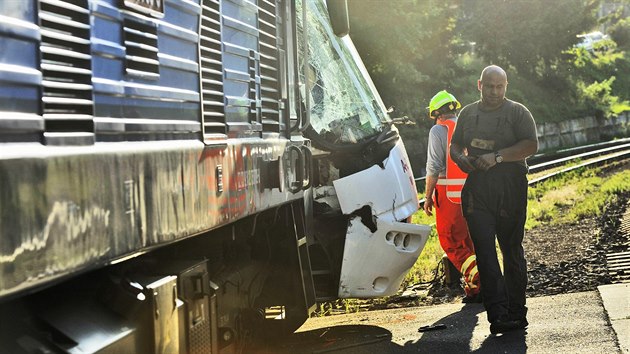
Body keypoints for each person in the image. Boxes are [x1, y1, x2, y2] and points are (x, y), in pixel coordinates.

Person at [450, 65, 538, 334]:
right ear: (479, 85)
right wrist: (461, 159)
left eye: (500, 86)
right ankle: (498, 315)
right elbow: (455, 145)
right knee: (486, 253)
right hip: (478, 189)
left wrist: (498, 156)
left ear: (506, 86)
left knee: (511, 249)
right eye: (489, 86)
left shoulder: (518, 112)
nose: (495, 92)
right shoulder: (467, 114)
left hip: (510, 188)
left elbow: (531, 145)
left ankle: (516, 312)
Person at [423, 90, 482, 303]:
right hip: (474, 192)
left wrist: (428, 196)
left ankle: (483, 283)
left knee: (452, 241)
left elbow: (434, 167)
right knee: (470, 240)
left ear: (437, 113)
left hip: (449, 195)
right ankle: (476, 288)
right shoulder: (468, 127)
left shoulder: (438, 131)